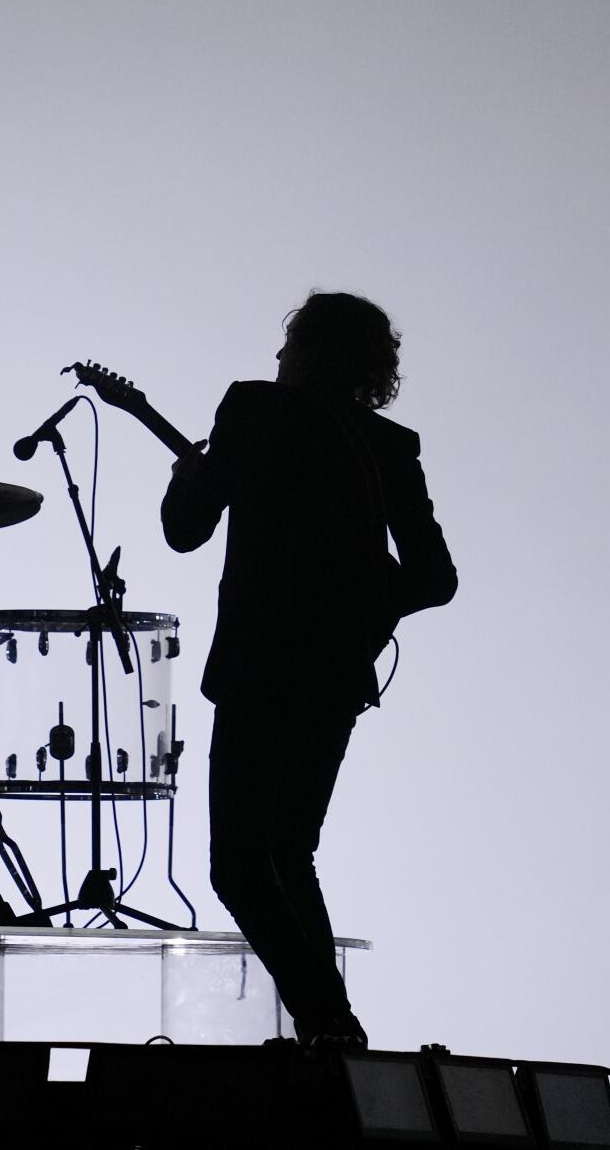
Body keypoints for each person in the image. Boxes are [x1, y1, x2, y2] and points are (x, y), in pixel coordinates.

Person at [160, 291, 455, 1048]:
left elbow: (185, 530)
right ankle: (329, 1030)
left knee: (238, 863)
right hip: (334, 680)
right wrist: (362, 608)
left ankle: (331, 1024)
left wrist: (181, 480)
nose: (278, 358)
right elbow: (435, 576)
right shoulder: (390, 445)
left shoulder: (253, 409)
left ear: (310, 352)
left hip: (260, 667)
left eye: (288, 345)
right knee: (289, 851)